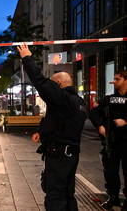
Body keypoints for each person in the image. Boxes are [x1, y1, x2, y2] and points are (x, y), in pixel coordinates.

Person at [17, 44, 87, 211]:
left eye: (53, 84)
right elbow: (58, 121)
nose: (51, 88)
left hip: (59, 155)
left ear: (60, 84)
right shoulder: (78, 102)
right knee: (67, 193)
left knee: (55, 195)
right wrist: (41, 132)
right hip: (70, 153)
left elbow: (40, 82)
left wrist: (27, 58)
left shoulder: (63, 99)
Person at [89, 70, 127, 210]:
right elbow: (94, 111)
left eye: (117, 79)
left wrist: (125, 122)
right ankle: (113, 197)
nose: (114, 82)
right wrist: (100, 126)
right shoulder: (110, 99)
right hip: (112, 142)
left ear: (126, 80)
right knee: (110, 171)